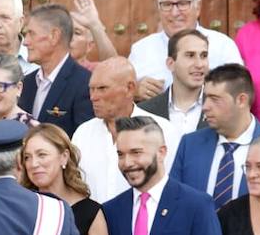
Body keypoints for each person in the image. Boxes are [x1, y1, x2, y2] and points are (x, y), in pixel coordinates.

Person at [70, 58, 179, 205]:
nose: (93, 97)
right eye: (91, 89)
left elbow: (173, 188)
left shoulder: (163, 131)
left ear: (130, 88)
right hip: (92, 225)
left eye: (102, 88)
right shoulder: (83, 133)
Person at [171, 64, 260, 205]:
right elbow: (173, 199)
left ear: (241, 100)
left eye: (215, 99)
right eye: (206, 98)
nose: (205, 107)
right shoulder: (190, 144)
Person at [128, 0, 243, 100]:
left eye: (182, 4)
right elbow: (122, 97)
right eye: (167, 4)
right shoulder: (141, 50)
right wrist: (135, 91)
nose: (174, 12)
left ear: (197, 8)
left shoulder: (222, 46)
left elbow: (240, 93)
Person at [16, 4, 94, 133]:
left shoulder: (84, 84)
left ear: (54, 36)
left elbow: (84, 140)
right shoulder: (28, 82)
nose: (25, 42)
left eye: (31, 34)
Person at [139, 28, 210, 136]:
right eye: (190, 55)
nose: (199, 64)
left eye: (204, 56)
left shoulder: (223, 108)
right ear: (171, 63)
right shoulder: (144, 112)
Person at [68, 0, 119, 71]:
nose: (69, 36)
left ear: (89, 46)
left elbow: (114, 68)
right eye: (65, 31)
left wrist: (94, 24)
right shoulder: (46, 69)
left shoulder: (95, 70)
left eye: (77, 33)